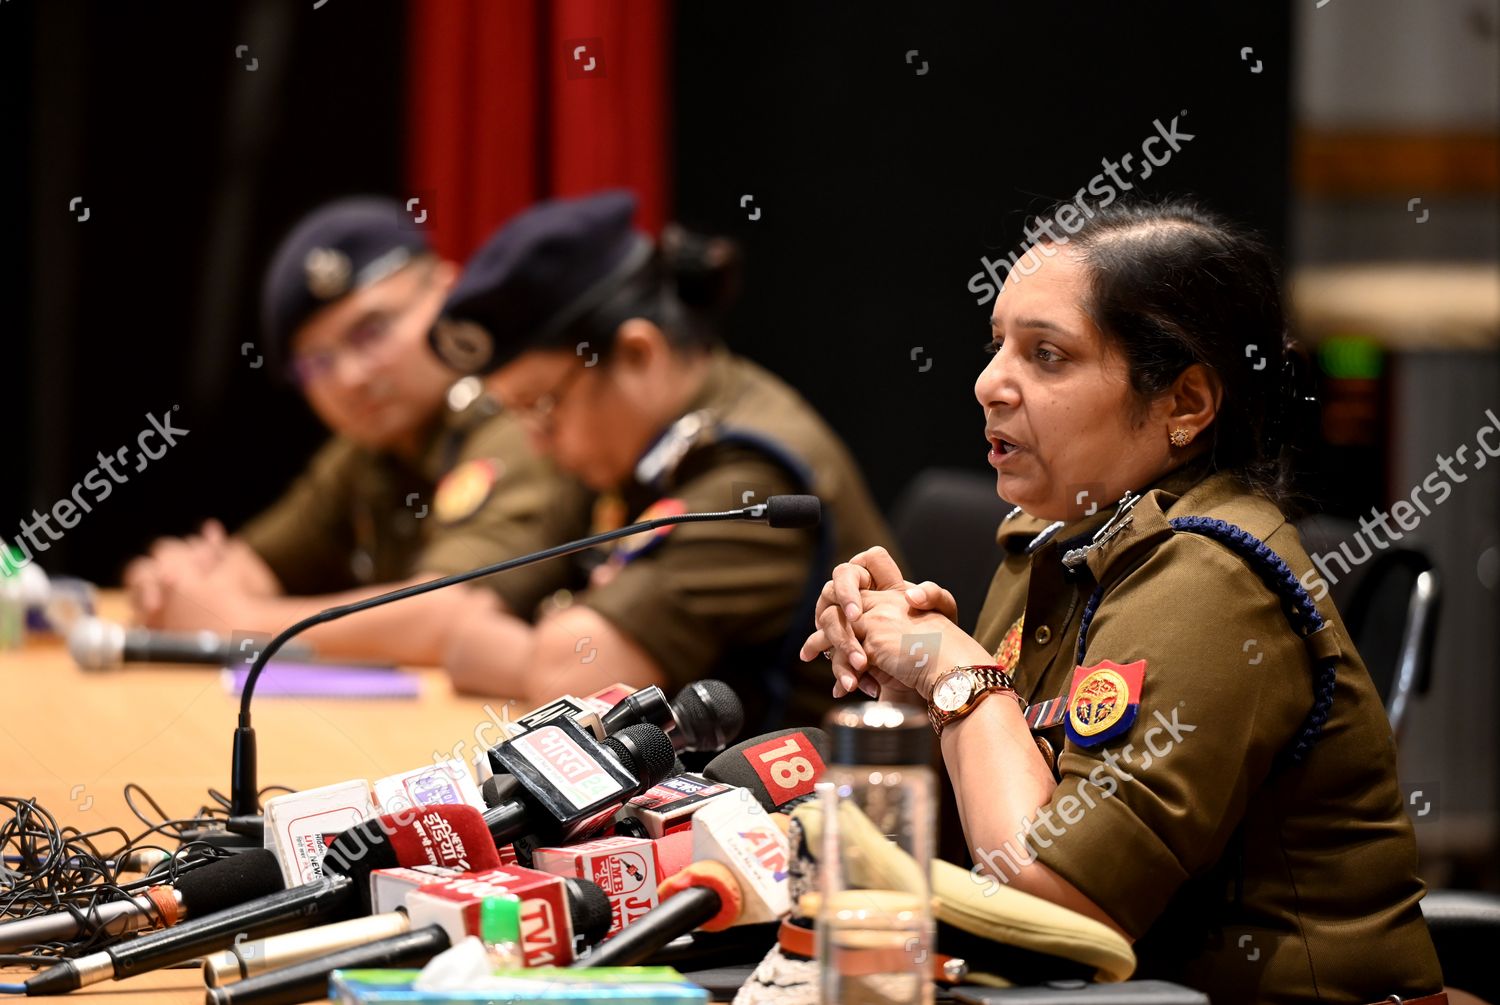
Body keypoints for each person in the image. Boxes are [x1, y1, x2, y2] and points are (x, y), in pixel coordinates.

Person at [801, 198, 1444, 1004]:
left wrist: (956, 669)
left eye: (1047, 355)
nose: (989, 383)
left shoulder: (1211, 580)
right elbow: (999, 817)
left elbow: (1050, 898)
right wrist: (909, 692)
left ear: (1185, 404)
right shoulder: (1059, 535)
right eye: (996, 344)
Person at [428, 190, 897, 729]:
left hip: (805, 804)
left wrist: (497, 642)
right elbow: (465, 603)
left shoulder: (750, 474)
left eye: (541, 407)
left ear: (636, 354)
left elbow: (570, 672)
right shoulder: (620, 447)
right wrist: (499, 638)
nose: (535, 441)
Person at [124, 198, 592, 665]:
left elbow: (452, 612)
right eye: (317, 363)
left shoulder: (521, 419)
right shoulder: (368, 451)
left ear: (447, 295)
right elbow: (253, 564)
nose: (349, 378)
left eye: (371, 331)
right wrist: (181, 581)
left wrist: (240, 623)